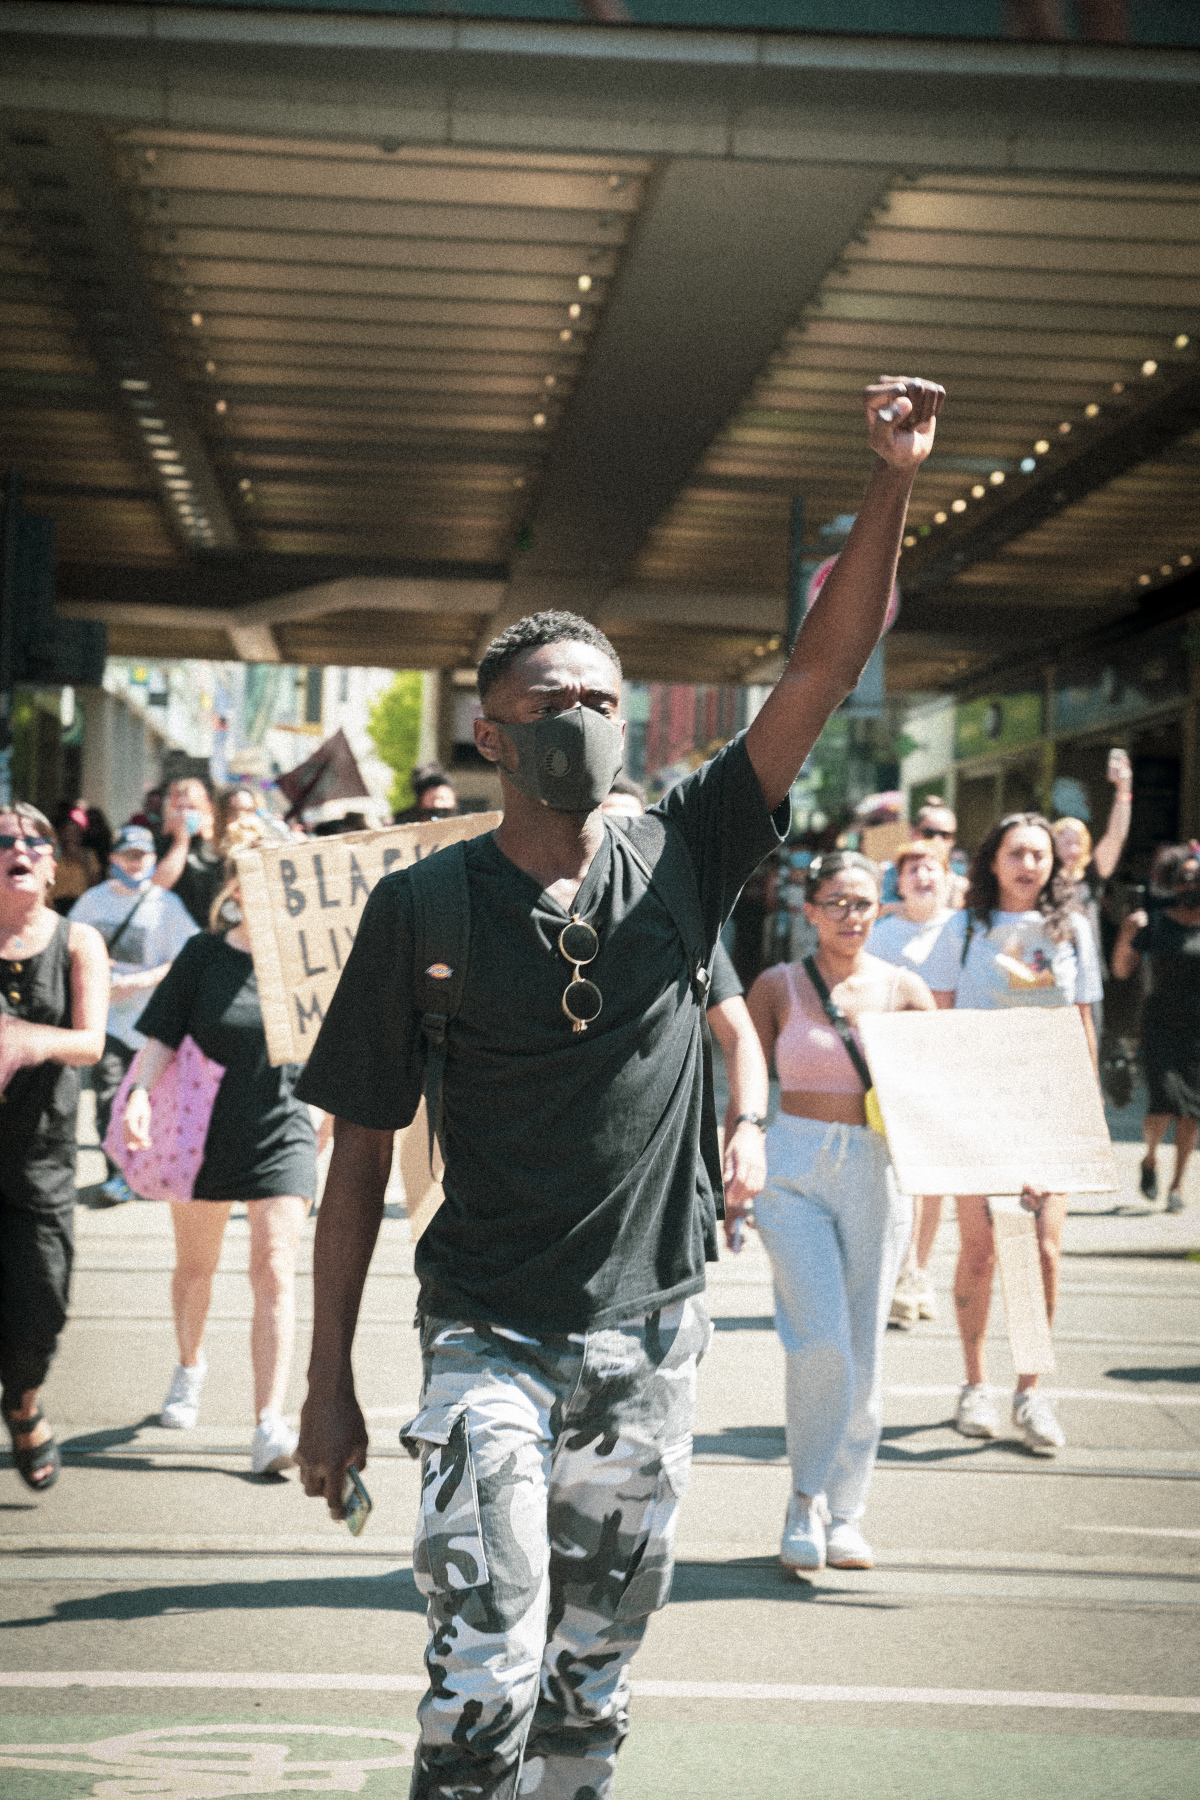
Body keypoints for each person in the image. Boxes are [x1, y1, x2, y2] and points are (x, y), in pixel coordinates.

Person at [292, 374, 943, 1800]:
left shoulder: (687, 852)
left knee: (591, 1688)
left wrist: (891, 480)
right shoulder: (421, 908)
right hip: (484, 1339)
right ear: (490, 734)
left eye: (603, 700)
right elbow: (356, 1160)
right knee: (487, 1669)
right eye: (551, 704)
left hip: (650, 1342)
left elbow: (821, 670)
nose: (583, 721)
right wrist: (325, 1383)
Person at [746, 852, 935, 1573]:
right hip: (792, 1165)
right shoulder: (778, 986)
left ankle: (847, 1510)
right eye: (837, 902)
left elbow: (942, 1093)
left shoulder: (906, 989)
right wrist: (736, 1159)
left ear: (880, 909)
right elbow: (744, 1082)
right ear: (810, 910)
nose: (851, 916)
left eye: (863, 903)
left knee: (863, 1345)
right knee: (818, 1339)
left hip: (875, 1168)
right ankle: (805, 1499)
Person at [121, 816, 326, 1475]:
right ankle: (190, 1366)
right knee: (196, 1269)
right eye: (256, 877)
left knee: (274, 1268)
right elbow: (162, 1035)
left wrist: (332, 1121)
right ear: (235, 888)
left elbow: (345, 1042)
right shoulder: (202, 957)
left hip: (283, 1129)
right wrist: (140, 1096)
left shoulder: (312, 959)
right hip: (202, 1131)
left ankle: (269, 1423)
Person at [921, 812, 1103, 1455]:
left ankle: (1030, 1391)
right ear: (993, 861)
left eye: (1040, 854)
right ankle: (975, 1385)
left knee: (1041, 1251)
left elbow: (1082, 1022)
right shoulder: (963, 928)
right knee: (982, 1252)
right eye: (1016, 853)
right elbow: (938, 1019)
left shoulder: (1072, 928)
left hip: (1047, 1106)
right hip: (977, 1104)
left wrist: (1084, 1111)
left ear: (1055, 865)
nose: (1029, 865)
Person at [601, 779, 768, 1236]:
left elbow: (739, 1037)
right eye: (607, 825)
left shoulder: (688, 929)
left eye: (633, 827)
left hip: (668, 1182)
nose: (621, 840)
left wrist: (749, 1128)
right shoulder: (551, 926)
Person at [0, 802, 108, 1491]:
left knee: (42, 1303)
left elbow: (91, 1042)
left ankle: (22, 1401)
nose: (20, 849)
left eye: (35, 841)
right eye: (4, 841)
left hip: (38, 1156)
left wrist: (28, 1041)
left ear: (51, 866)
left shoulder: (77, 941)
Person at [67, 824, 198, 1205]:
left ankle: (147, 1169)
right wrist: (95, 967)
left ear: (153, 859)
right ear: (113, 858)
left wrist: (143, 980)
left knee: (151, 1097)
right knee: (108, 1093)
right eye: (129, 855)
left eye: (143, 856)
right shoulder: (93, 902)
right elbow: (70, 945)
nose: (136, 863)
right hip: (105, 1018)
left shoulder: (166, 905)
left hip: (152, 1022)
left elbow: (187, 959)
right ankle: (117, 1174)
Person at [868, 838, 954, 1327]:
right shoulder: (881, 934)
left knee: (933, 1178)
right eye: (912, 869)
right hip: (896, 1068)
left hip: (950, 1066)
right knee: (899, 1174)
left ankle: (918, 1270)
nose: (923, 875)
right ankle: (899, 1272)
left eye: (932, 867)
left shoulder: (963, 929)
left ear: (948, 877)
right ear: (898, 882)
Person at [1111, 842, 1200, 1213]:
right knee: (1162, 1105)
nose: (1190, 884)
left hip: (1197, 1030)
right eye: (1184, 878)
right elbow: (1121, 970)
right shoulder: (1157, 922)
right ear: (1171, 882)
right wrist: (1126, 933)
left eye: (1197, 878)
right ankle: (1150, 1158)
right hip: (1160, 1024)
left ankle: (1177, 1184)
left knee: (1192, 1110)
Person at [153, 776, 224, 929]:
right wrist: (181, 841)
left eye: (191, 808)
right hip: (170, 925)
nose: (184, 814)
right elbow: (158, 886)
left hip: (206, 927)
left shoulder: (216, 845)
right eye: (179, 808)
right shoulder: (160, 842)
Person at [49, 803, 102, 914]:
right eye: (67, 832)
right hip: (56, 905)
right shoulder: (52, 855)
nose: (71, 837)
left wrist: (83, 863)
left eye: (75, 833)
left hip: (81, 905)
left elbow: (96, 886)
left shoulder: (89, 855)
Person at [392, 764, 458, 824]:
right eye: (431, 799)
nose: (437, 804)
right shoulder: (401, 822)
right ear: (420, 802)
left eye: (443, 799)